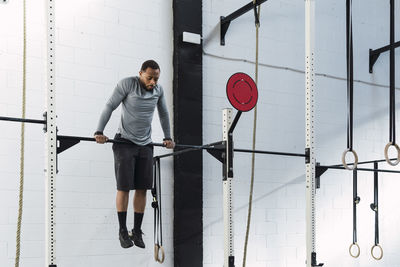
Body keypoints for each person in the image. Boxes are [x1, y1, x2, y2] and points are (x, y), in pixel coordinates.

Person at [94, 60, 175, 249]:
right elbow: (109, 106)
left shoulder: (158, 90)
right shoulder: (127, 84)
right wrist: (99, 131)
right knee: (124, 188)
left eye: (156, 78)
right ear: (140, 73)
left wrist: (168, 136)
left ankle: (136, 231)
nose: (153, 82)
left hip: (145, 144)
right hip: (124, 142)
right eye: (149, 78)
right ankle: (122, 231)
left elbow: (163, 114)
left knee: (142, 188)